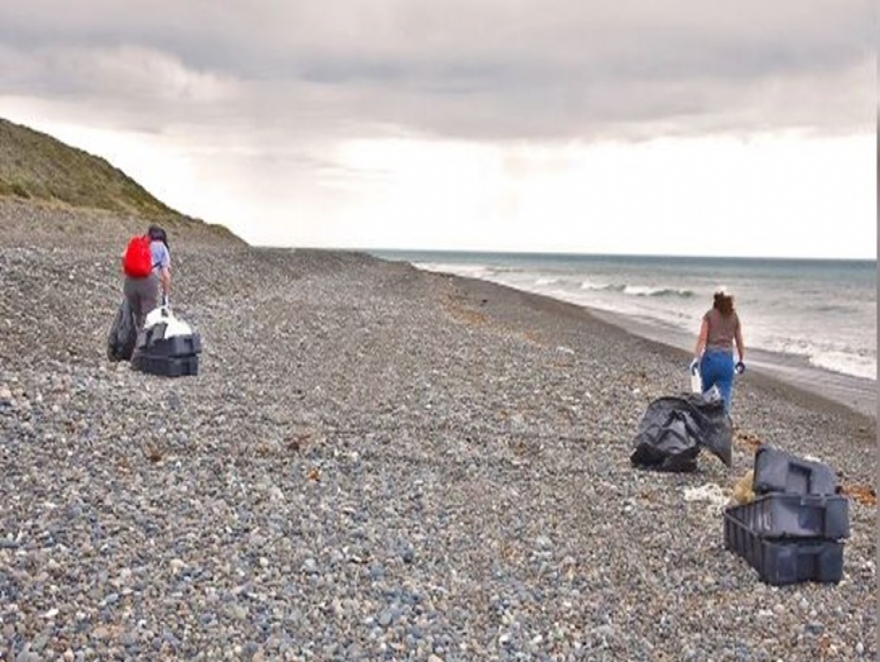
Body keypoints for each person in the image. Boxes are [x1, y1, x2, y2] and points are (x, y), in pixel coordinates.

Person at [691, 288, 745, 411]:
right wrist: (741, 359)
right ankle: (722, 424)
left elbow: (702, 339)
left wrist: (696, 358)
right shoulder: (734, 317)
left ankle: (705, 421)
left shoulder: (709, 315)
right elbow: (739, 341)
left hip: (710, 360)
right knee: (725, 394)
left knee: (706, 391)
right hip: (726, 361)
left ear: (716, 300)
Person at [121, 225, 171, 331]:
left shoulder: (140, 243)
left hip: (130, 280)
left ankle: (129, 342)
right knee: (148, 319)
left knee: (134, 317)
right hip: (149, 283)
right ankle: (141, 345)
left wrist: (129, 273)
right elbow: (166, 276)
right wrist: (165, 297)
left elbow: (123, 256)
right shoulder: (162, 247)